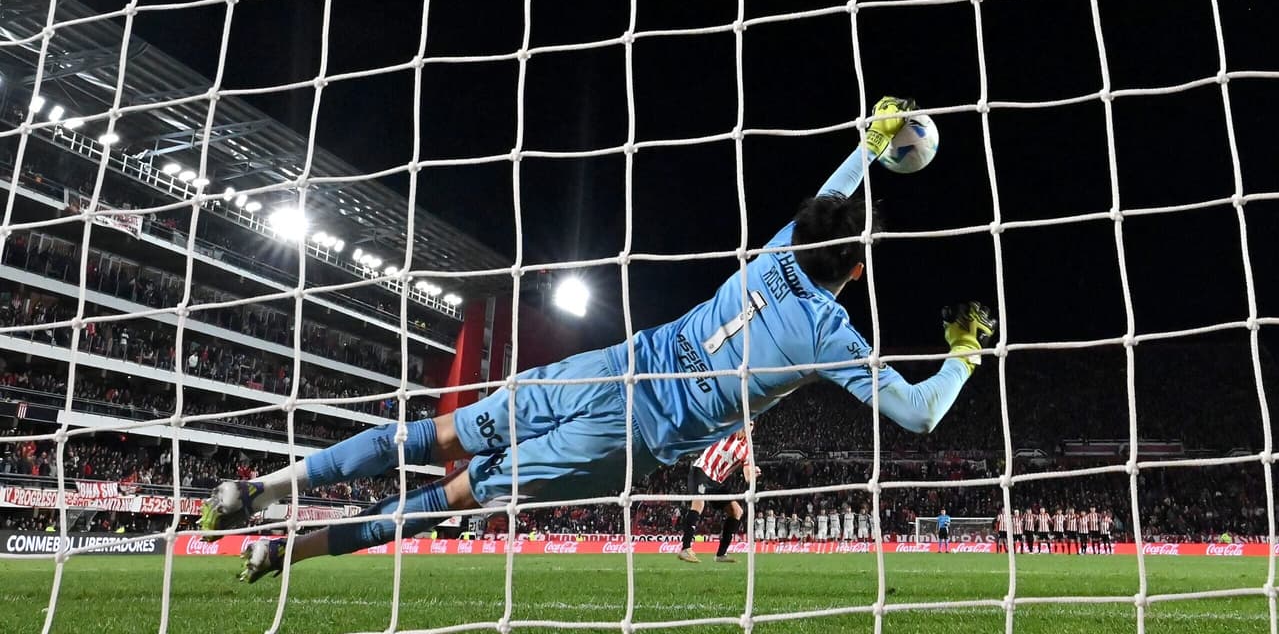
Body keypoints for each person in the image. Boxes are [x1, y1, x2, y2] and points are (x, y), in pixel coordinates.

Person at [199, 96, 997, 582]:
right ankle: (284, 554)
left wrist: (867, 142)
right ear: (856, 273)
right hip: (630, 435)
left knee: (430, 435)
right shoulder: (830, 330)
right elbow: (921, 415)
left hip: (615, 368)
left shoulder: (780, 247)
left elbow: (827, 201)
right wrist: (964, 353)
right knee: (449, 498)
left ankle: (257, 491)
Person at [677, 426, 755, 564]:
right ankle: (686, 548)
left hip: (716, 482)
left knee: (737, 511)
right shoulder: (727, 431)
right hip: (702, 471)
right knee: (699, 503)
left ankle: (721, 554)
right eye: (744, 424)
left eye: (750, 425)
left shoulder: (747, 449)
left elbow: (748, 476)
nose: (746, 427)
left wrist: (754, 474)